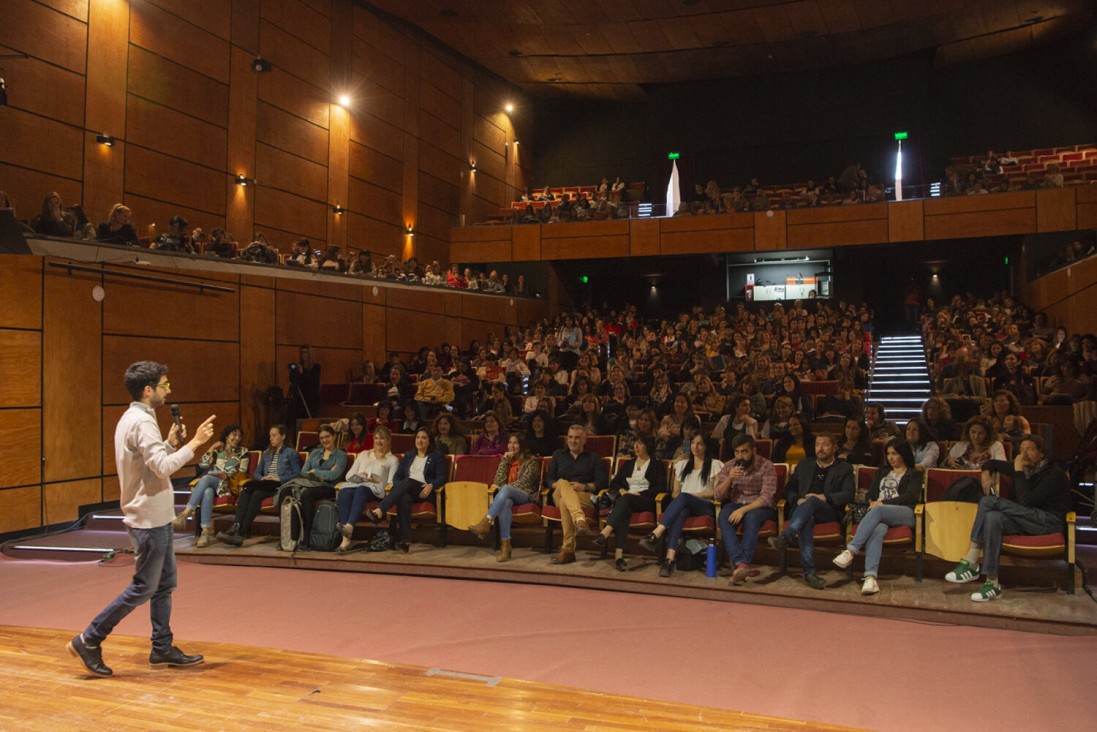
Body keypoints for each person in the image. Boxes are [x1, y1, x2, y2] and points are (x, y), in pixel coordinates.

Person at [68, 361, 216, 676]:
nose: (169, 389)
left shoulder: (134, 418)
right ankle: (89, 639)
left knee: (163, 585)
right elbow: (163, 469)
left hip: (155, 515)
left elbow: (151, 462)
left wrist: (169, 444)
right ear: (148, 390)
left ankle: (161, 647)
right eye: (165, 384)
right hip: (148, 518)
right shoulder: (143, 422)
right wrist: (195, 444)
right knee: (144, 588)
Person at [945, 435, 1070, 601]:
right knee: (992, 518)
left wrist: (1018, 471)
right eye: (1021, 450)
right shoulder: (1023, 467)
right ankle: (992, 582)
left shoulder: (1054, 474)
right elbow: (991, 463)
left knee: (988, 501)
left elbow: (1027, 502)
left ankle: (971, 559)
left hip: (1048, 522)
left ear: (1042, 454)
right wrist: (985, 475)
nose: (1024, 454)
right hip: (1025, 521)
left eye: (1029, 449)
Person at [833, 439, 924, 594]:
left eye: (894, 453)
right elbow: (871, 494)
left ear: (903, 454)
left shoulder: (914, 474)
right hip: (880, 514)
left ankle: (851, 551)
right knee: (877, 530)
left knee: (878, 511)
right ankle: (870, 578)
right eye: (888, 454)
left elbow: (911, 497)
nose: (890, 457)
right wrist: (874, 501)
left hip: (905, 513)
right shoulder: (882, 472)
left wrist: (882, 503)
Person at [768, 433, 854, 589]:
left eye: (825, 444)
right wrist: (797, 500)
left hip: (828, 511)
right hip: (803, 510)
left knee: (813, 501)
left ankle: (786, 536)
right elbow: (788, 490)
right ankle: (809, 572)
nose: (820, 448)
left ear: (834, 448)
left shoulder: (844, 468)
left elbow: (848, 494)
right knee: (807, 520)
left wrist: (824, 497)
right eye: (817, 444)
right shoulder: (804, 465)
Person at [639, 434, 723, 578]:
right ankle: (669, 560)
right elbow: (674, 493)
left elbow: (716, 493)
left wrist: (692, 496)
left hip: (705, 506)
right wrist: (686, 498)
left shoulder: (715, 464)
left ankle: (656, 533)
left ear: (706, 447)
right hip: (686, 505)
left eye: (700, 444)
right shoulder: (682, 465)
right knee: (681, 511)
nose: (695, 447)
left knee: (684, 497)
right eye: (693, 443)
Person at [216, 425, 302, 545]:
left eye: (274, 436)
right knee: (246, 490)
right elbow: (256, 473)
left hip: (279, 485)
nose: (271, 439)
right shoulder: (267, 453)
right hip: (265, 483)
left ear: (283, 436)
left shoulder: (290, 453)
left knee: (256, 493)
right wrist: (262, 477)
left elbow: (297, 474)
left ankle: (241, 531)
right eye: (270, 436)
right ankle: (237, 526)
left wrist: (279, 478)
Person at [367, 428, 448, 552]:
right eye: (417, 437)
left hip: (426, 491)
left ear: (430, 441)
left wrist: (431, 485)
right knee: (404, 498)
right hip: (409, 490)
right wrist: (401, 488)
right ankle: (405, 541)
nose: (420, 440)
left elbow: (442, 478)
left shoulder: (437, 456)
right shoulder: (409, 455)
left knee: (409, 481)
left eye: (424, 438)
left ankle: (380, 510)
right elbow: (397, 477)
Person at [593, 434, 664, 571]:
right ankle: (619, 558)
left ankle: (605, 532)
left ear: (648, 446)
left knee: (625, 501)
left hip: (646, 500)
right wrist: (621, 490)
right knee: (624, 510)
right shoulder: (628, 464)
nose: (636, 446)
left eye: (640, 443)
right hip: (627, 500)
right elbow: (614, 483)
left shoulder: (657, 465)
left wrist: (640, 494)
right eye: (635, 443)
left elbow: (661, 488)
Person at [714, 434, 778, 585]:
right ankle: (740, 564)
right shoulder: (730, 466)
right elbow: (718, 495)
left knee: (752, 517)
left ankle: (741, 563)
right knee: (723, 515)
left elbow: (767, 497)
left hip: (760, 507)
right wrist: (729, 478)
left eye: (744, 452)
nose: (740, 456)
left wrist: (743, 510)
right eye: (737, 452)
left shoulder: (766, 465)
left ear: (753, 450)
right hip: (736, 504)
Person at [467, 432, 541, 562]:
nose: (511, 446)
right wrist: (505, 461)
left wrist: (504, 488)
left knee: (506, 489)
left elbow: (525, 483)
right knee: (505, 502)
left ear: (522, 445)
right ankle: (505, 545)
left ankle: (486, 521)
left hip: (526, 495)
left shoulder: (531, 462)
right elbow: (498, 480)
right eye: (510, 443)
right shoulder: (507, 460)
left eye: (515, 443)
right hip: (509, 497)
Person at [173, 424, 248, 547]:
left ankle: (185, 514)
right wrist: (212, 447)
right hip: (214, 484)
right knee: (207, 491)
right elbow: (203, 465)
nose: (237, 438)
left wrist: (227, 476)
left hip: (229, 485)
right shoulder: (218, 452)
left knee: (207, 478)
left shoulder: (243, 451)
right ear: (226, 436)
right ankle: (205, 532)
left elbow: (243, 470)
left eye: (239, 436)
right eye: (234, 434)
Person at [545, 424, 609, 564]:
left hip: (584, 495)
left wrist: (584, 486)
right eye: (570, 437)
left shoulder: (593, 458)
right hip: (559, 492)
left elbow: (602, 482)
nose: (573, 441)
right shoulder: (558, 455)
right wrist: (562, 485)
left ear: (584, 440)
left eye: (577, 438)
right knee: (563, 482)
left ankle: (568, 551)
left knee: (565, 502)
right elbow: (549, 479)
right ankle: (579, 519)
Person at [273, 425, 347, 545]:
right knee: (285, 491)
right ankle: (286, 536)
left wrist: (315, 471)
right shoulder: (314, 453)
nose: (324, 440)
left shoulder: (341, 455)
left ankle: (306, 537)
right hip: (309, 483)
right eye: (322, 438)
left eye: (327, 437)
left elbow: (334, 475)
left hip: (328, 487)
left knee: (307, 494)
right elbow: (304, 472)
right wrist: (325, 472)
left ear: (334, 437)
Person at [334, 426, 399, 551]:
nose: (378, 441)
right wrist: (361, 475)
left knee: (361, 490)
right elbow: (348, 476)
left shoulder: (392, 459)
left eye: (382, 439)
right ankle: (345, 537)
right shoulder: (364, 454)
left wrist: (375, 480)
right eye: (376, 438)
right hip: (357, 484)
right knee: (344, 491)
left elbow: (391, 483)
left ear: (388, 441)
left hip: (376, 489)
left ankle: (349, 527)